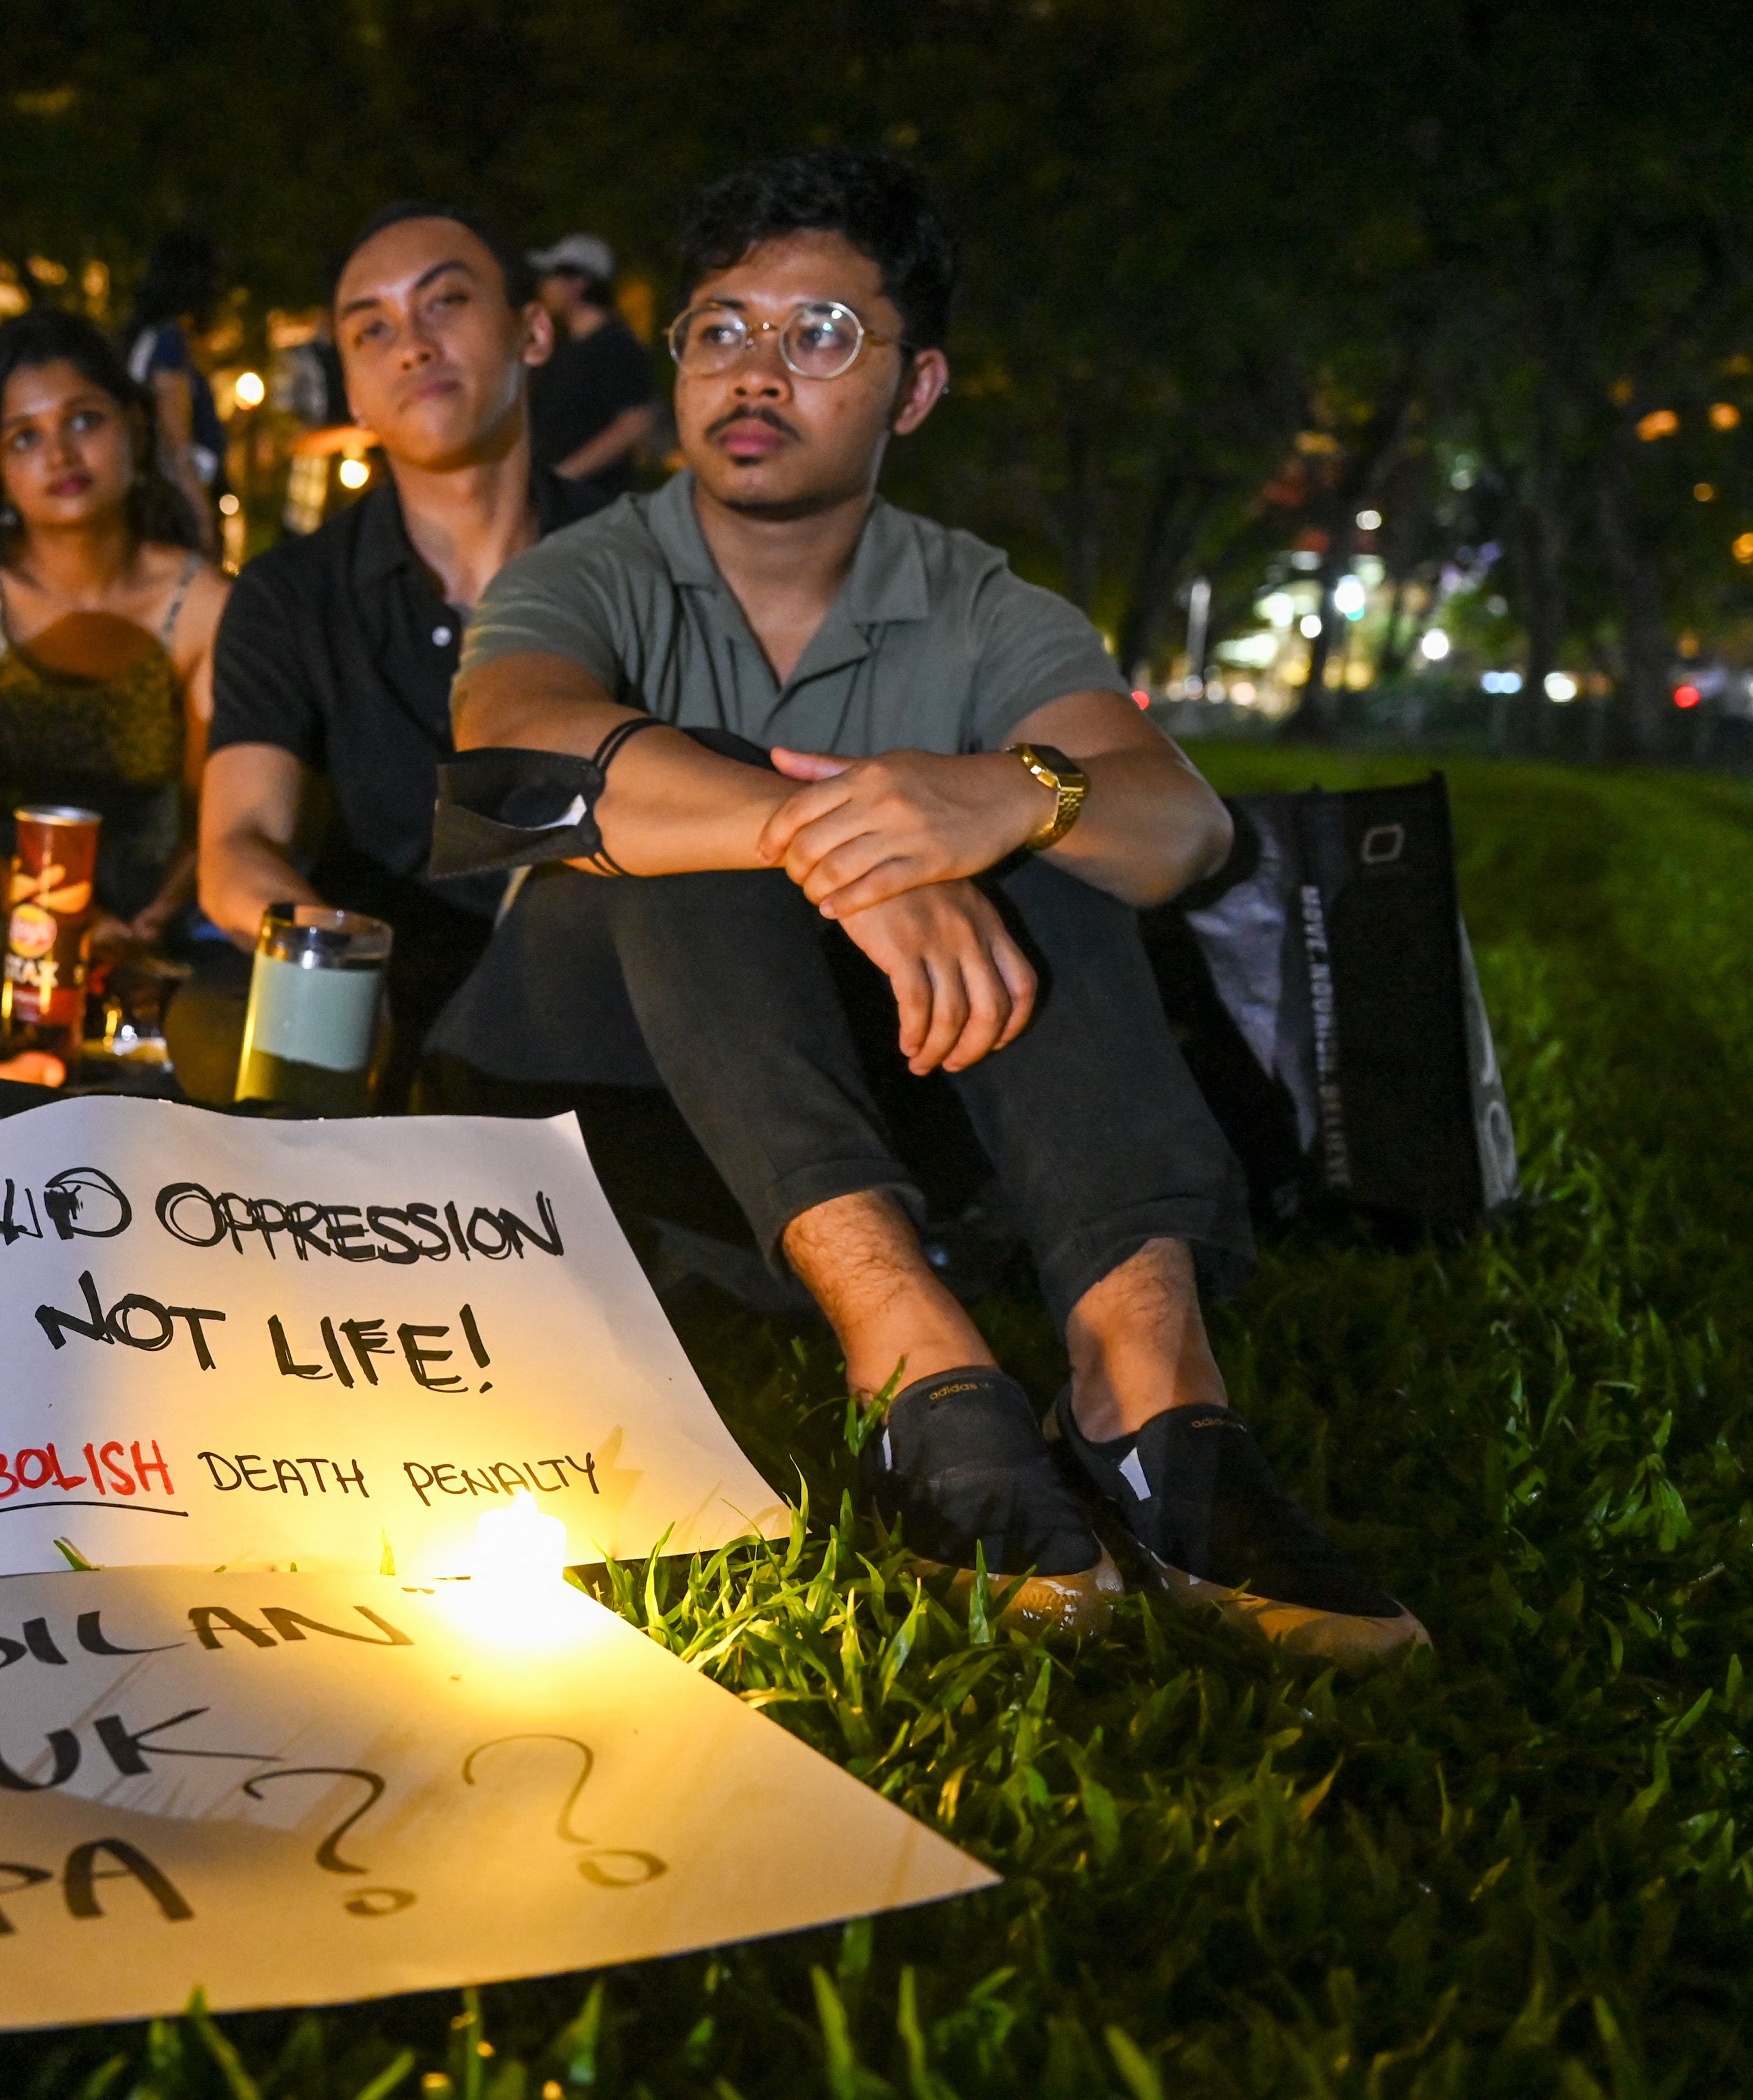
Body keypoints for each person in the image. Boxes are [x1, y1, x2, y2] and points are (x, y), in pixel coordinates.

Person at [442, 148, 1423, 1661]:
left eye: (818, 333)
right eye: (719, 328)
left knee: (1058, 833)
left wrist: (1017, 799)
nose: (753, 371)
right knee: (669, 827)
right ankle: (909, 1365)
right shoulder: (592, 571)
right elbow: (510, 741)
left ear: (914, 390)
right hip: (616, 1129)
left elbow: (1180, 826)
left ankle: (1148, 1390)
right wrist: (815, 833)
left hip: (892, 1103)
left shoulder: (976, 601)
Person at [180, 202, 604, 1106]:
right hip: (370, 987)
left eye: (444, 302)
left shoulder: (636, 561)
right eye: (372, 329)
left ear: (532, 331)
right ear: (356, 392)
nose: (411, 344)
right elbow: (237, 844)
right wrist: (326, 959)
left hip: (585, 991)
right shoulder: (292, 594)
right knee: (217, 1021)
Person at [0, 309, 224, 945]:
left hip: (142, 901)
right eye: (24, 437)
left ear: (133, 427)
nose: (60, 454)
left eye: (85, 420)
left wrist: (155, 917)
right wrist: (42, 910)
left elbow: (213, 824)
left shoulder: (200, 605)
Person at [523, 233, 658, 498]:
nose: (544, 286)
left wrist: (564, 476)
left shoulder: (616, 345)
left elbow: (636, 422)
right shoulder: (566, 347)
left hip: (594, 500)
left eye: (551, 277)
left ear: (579, 284)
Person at [122, 230, 230, 552]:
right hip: (171, 510)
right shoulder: (169, 343)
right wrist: (201, 515)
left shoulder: (145, 338)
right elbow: (176, 445)